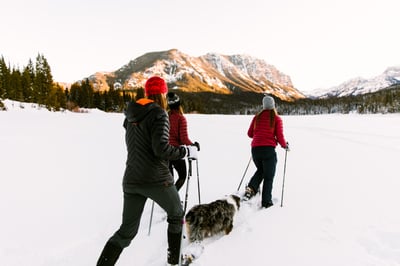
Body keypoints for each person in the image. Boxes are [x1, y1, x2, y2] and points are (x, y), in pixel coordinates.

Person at [96, 76, 198, 266]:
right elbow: (161, 150)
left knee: (126, 231)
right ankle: (174, 261)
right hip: (157, 179)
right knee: (176, 214)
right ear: (162, 94)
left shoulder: (130, 115)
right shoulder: (160, 114)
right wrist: (184, 151)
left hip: (131, 180)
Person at [243, 95, 289, 208]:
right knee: (268, 176)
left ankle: (251, 189)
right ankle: (266, 202)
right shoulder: (277, 118)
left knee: (261, 170)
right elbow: (279, 136)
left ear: (263, 105)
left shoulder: (256, 117)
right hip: (268, 150)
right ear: (273, 105)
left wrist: (259, 135)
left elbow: (250, 134)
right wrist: (285, 145)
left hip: (255, 150)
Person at [167, 92, 200, 191]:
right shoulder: (181, 119)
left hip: (164, 150)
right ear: (179, 105)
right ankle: (173, 199)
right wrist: (193, 145)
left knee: (169, 179)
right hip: (176, 152)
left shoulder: (165, 117)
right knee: (182, 176)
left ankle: (169, 200)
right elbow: (183, 139)